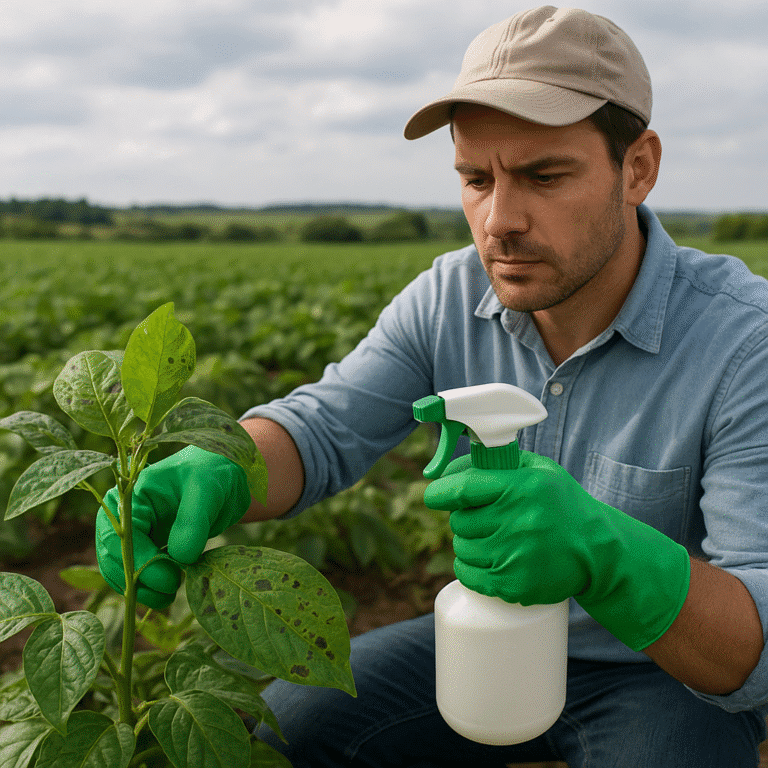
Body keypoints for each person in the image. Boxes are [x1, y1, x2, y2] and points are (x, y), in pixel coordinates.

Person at [96, 6, 768, 766]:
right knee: (291, 726)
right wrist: (223, 466)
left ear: (637, 168)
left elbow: (756, 645)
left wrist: (609, 554)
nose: (499, 220)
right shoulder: (447, 296)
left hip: (664, 672)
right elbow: (321, 431)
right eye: (475, 179)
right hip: (489, 632)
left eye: (545, 175)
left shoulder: (746, 342)